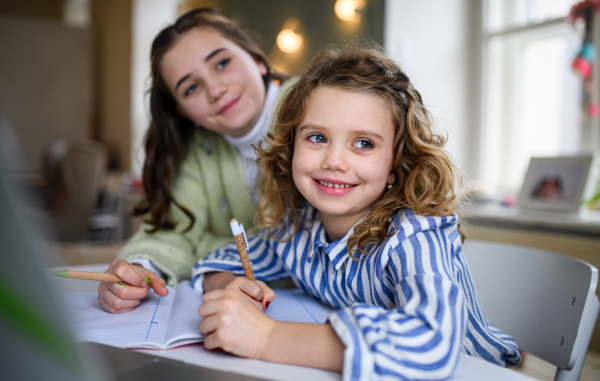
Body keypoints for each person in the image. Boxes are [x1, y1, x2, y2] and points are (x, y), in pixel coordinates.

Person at [191, 47, 522, 380]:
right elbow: (217, 262)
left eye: (363, 143)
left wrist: (266, 338)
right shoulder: (297, 228)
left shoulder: (415, 236)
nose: (334, 161)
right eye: (317, 137)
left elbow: (431, 343)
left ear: (396, 163)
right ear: (290, 148)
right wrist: (230, 285)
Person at [97, 8, 291, 314]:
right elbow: (175, 231)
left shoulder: (313, 109)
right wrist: (137, 267)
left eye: (222, 63)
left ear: (257, 59)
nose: (215, 90)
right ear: (183, 112)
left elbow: (290, 239)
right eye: (191, 88)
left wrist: (207, 253)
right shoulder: (201, 148)